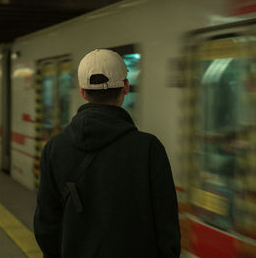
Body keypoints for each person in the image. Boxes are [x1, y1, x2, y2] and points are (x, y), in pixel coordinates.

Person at [34, 49, 181, 258]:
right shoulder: (149, 149)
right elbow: (167, 229)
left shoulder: (53, 148)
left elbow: (46, 227)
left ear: (83, 92)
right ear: (126, 88)